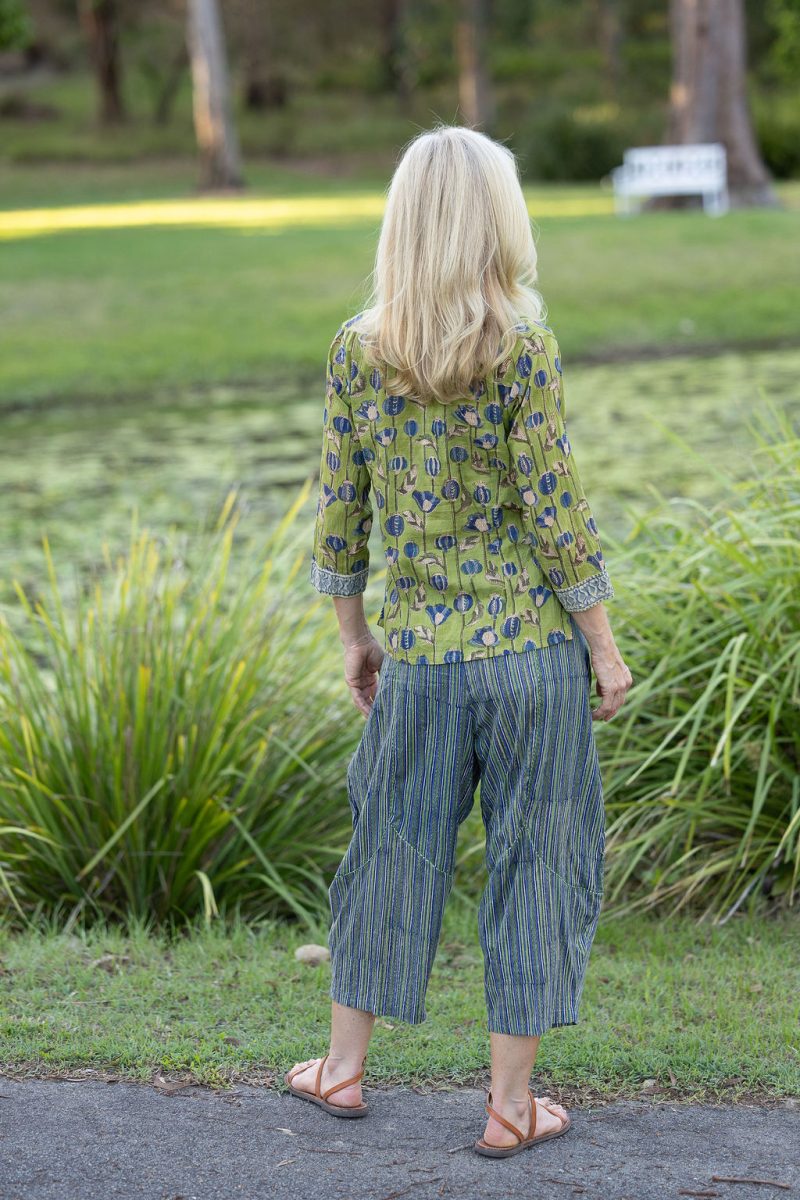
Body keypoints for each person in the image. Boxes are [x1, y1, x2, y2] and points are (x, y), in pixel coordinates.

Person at [285, 123, 633, 1158]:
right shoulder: (522, 345)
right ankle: (508, 1107)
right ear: (496, 218)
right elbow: (554, 514)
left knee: (388, 853)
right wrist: (603, 650)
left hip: (424, 661)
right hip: (528, 659)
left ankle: (341, 1073)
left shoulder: (359, 348)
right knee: (540, 859)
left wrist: (355, 635)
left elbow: (337, 512)